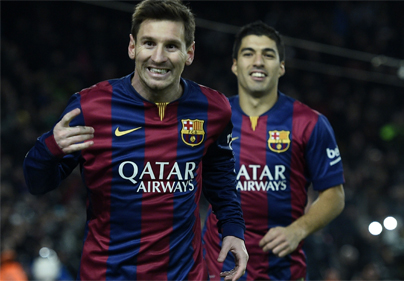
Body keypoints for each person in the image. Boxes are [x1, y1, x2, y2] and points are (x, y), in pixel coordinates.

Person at [23, 0, 248, 280]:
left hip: (184, 274)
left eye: (171, 46)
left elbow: (220, 174)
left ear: (189, 53)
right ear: (132, 47)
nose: (158, 57)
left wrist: (234, 229)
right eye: (149, 43)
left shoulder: (214, 109)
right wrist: (48, 149)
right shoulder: (91, 107)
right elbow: (38, 184)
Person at [203, 21, 345, 280]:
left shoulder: (310, 123)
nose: (258, 61)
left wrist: (298, 230)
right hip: (216, 269)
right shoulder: (210, 119)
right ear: (235, 65)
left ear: (281, 67)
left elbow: (334, 195)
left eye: (268, 54)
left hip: (283, 271)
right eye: (248, 53)